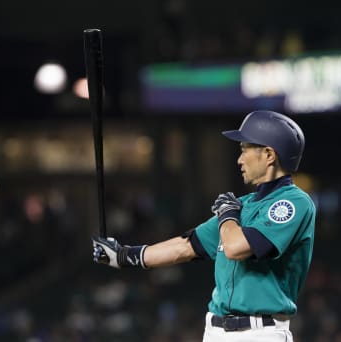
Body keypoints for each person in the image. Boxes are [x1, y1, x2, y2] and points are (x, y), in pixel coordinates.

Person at [92, 110, 316, 341]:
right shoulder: (241, 205)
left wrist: (227, 216)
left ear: (269, 154)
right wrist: (123, 255)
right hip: (215, 331)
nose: (239, 159)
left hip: (261, 332)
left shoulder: (294, 202)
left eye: (244, 150)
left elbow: (236, 247)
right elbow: (186, 247)